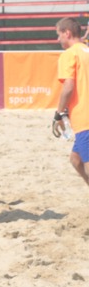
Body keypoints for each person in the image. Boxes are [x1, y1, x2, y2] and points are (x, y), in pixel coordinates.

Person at [54, 17, 89, 186]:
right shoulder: (86, 50)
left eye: (59, 34)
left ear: (67, 33)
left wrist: (58, 113)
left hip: (85, 118)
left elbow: (68, 87)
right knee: (76, 159)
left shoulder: (69, 54)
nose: (57, 39)